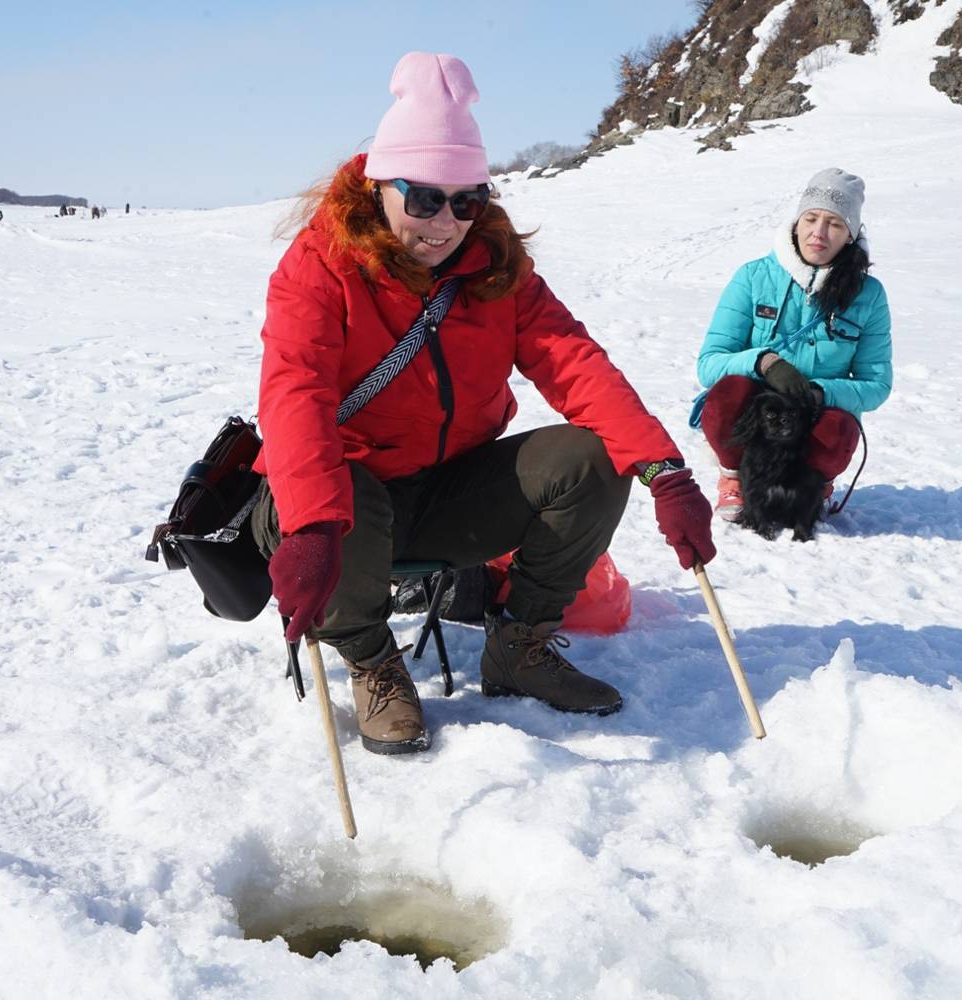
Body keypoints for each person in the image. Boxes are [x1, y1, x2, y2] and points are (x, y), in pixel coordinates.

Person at [252, 52, 715, 756]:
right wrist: (311, 526)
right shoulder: (320, 267)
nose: (447, 222)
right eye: (425, 197)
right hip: (339, 507)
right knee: (338, 488)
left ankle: (520, 644)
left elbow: (575, 364)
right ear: (380, 187)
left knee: (590, 458)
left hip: (444, 494)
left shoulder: (498, 270)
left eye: (468, 199)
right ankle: (372, 659)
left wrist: (664, 471)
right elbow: (296, 397)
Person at [690, 168, 893, 523]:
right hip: (759, 413)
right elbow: (709, 364)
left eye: (835, 223)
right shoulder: (753, 277)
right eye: (811, 218)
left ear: (850, 234)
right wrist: (764, 363)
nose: (819, 232)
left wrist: (819, 392)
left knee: (840, 430)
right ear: (796, 222)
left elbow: (876, 385)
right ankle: (735, 478)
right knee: (728, 394)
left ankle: (816, 486)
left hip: (813, 415)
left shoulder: (869, 295)